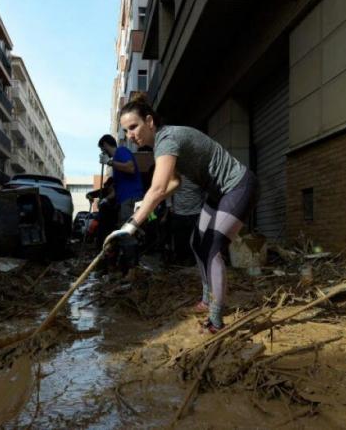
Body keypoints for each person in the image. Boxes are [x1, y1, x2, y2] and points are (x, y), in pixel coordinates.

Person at [105, 94, 259, 333]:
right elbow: (173, 183)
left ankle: (216, 321)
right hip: (217, 193)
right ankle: (207, 299)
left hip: (239, 186)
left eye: (134, 127)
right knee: (197, 242)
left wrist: (131, 225)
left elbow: (157, 188)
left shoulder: (167, 139)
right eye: (126, 131)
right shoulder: (162, 145)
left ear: (149, 121)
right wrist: (146, 204)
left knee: (212, 248)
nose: (130, 135)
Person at [97, 134, 144, 225]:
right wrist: (105, 199)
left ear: (105, 145)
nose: (102, 152)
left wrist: (109, 162)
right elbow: (117, 189)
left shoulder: (121, 151)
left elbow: (131, 168)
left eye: (102, 149)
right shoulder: (116, 162)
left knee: (127, 233)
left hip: (131, 199)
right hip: (125, 201)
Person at [167, 174, 204, 266]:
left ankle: (193, 262)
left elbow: (205, 192)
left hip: (196, 212)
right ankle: (181, 262)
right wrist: (169, 205)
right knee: (179, 240)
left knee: (194, 240)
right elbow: (168, 189)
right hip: (179, 212)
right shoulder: (176, 174)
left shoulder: (199, 175)